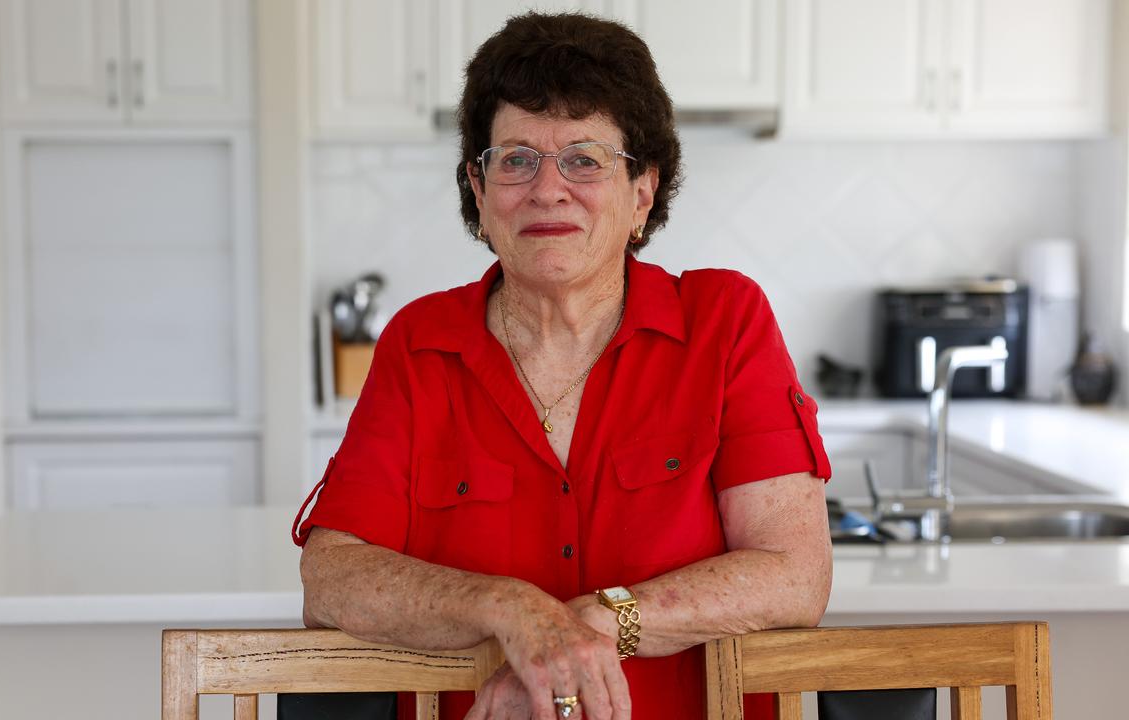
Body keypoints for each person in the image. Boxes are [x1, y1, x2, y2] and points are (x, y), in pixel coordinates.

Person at [293, 12, 832, 720]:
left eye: (584, 158)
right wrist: (510, 610)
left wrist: (588, 628)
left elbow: (794, 578)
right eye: (515, 159)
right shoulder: (419, 343)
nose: (547, 189)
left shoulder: (723, 322)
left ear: (642, 191)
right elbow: (332, 581)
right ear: (479, 195)